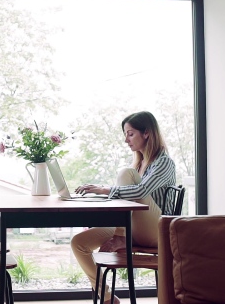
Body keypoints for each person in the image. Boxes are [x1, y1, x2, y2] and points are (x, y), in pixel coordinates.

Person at [70, 111, 176, 304]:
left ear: (146, 133)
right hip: (136, 228)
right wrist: (98, 194)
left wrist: (104, 189)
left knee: (125, 173)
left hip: (158, 231)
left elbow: (140, 191)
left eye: (130, 133)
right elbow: (128, 196)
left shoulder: (164, 162)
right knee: (79, 243)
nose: (126, 140)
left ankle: (120, 236)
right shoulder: (139, 164)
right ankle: (108, 297)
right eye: (125, 135)